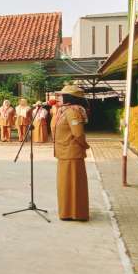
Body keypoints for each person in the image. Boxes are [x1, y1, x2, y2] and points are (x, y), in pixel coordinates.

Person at [52, 85, 90, 221]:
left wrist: (85, 146)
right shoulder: (63, 111)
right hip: (64, 154)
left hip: (72, 155)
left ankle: (77, 213)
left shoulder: (73, 112)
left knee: (74, 185)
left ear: (69, 98)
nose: (59, 98)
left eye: (62, 95)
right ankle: (67, 212)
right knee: (65, 185)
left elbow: (78, 134)